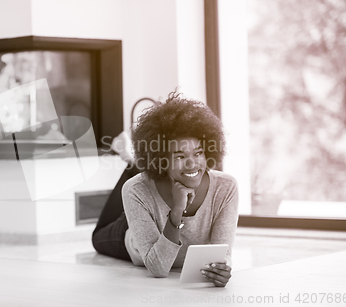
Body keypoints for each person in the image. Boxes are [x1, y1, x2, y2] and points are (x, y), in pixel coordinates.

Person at [92, 91, 239, 287]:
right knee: (97, 237)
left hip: (153, 196)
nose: (192, 164)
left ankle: (131, 160)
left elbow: (223, 254)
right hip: (131, 237)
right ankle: (131, 162)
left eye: (198, 153)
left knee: (142, 177)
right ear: (161, 160)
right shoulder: (136, 190)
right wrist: (177, 211)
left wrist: (223, 268)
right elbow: (159, 268)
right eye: (179, 156)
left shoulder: (226, 187)